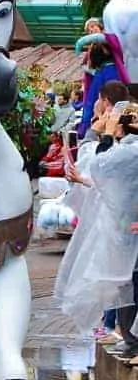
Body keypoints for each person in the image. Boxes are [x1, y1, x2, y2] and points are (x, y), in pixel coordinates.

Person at [55, 103, 138, 334]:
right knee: (125, 287)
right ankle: (128, 339)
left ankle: (130, 341)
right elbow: (106, 180)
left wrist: (106, 133)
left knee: (128, 286)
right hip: (126, 230)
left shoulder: (130, 151)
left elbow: (100, 166)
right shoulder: (128, 150)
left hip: (129, 230)